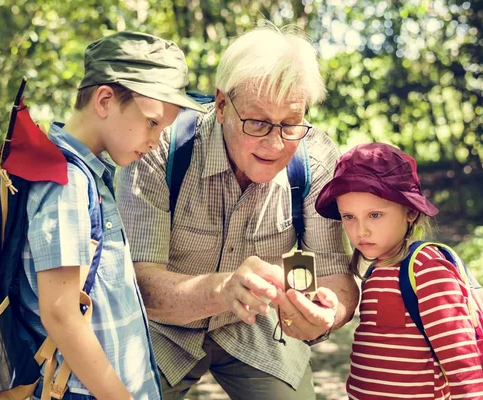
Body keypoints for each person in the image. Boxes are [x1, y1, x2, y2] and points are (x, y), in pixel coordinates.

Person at [116, 23, 359, 399]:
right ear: (222, 104)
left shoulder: (316, 158)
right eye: (258, 122)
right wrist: (223, 290)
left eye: (291, 124)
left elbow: (333, 273)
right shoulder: (159, 147)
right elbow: (137, 283)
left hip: (259, 325)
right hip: (161, 328)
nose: (275, 143)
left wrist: (329, 315)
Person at [17, 31, 206, 400]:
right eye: (152, 123)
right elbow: (61, 314)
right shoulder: (66, 182)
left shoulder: (89, 177)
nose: (155, 141)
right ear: (105, 100)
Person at [315, 142, 483, 399]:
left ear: (410, 211)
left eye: (374, 215)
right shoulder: (377, 269)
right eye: (349, 217)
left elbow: (461, 361)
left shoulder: (425, 269)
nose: (361, 230)